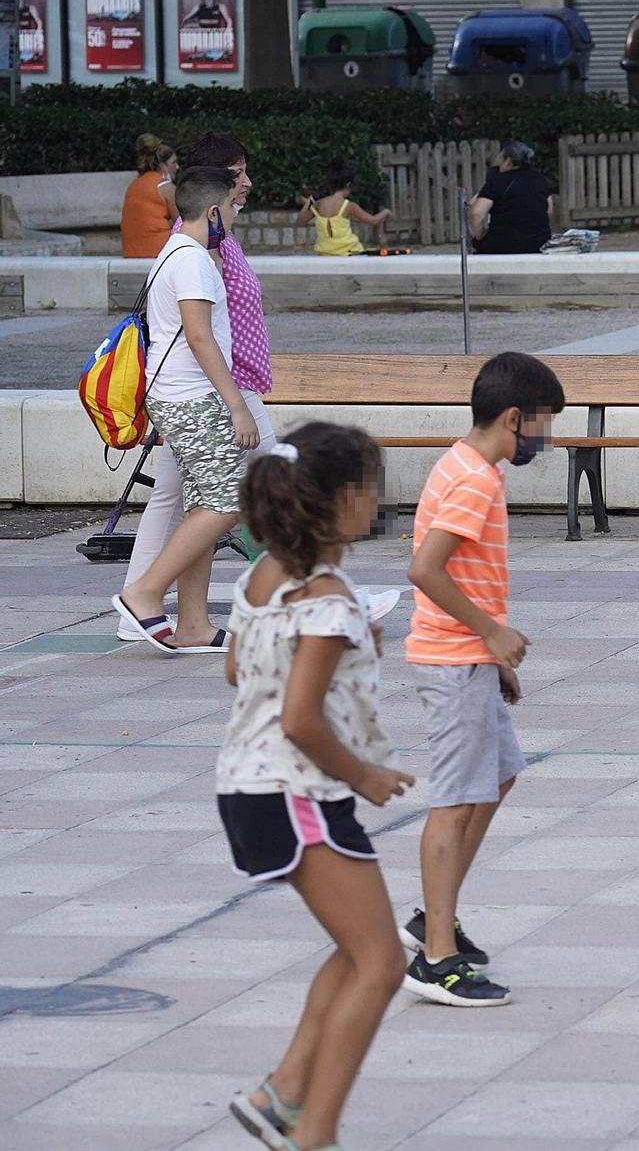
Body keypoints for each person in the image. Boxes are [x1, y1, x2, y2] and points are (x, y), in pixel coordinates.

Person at [218, 423, 412, 1151]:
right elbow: (300, 721)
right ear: (343, 501)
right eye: (372, 487)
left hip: (253, 786)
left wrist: (343, 643)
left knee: (357, 949)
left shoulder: (264, 576)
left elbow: (238, 669)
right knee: (384, 964)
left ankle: (285, 1092)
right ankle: (314, 1134)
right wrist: (365, 774)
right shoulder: (327, 600)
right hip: (296, 790)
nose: (378, 501)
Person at [401, 351, 568, 1006]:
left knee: (496, 776)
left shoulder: (465, 464)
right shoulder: (475, 481)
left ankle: (433, 918)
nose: (545, 439)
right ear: (512, 418)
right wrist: (492, 635)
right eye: (542, 425)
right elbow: (426, 569)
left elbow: (463, 572)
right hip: (451, 661)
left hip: (470, 658)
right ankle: (435, 957)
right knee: (455, 800)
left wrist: (493, 654)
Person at [118, 133, 279, 643]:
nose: (235, 215)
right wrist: (237, 405)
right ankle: (144, 593)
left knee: (199, 504)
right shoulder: (195, 258)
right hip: (195, 399)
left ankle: (191, 623)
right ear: (212, 210)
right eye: (230, 204)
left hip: (183, 396)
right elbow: (200, 335)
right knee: (230, 501)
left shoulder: (178, 251)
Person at [469, 141, 553, 255]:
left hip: (503, 243)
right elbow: (548, 209)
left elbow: (477, 213)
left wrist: (479, 235)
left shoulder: (496, 180)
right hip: (538, 243)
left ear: (508, 161)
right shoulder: (539, 179)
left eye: (500, 158)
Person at [297, 162, 393, 257]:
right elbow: (373, 220)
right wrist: (386, 212)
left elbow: (301, 220)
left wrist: (307, 203)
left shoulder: (318, 204)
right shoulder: (348, 205)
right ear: (348, 185)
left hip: (326, 253)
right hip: (349, 252)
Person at [120, 133, 177, 258]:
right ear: (163, 166)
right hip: (160, 251)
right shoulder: (167, 188)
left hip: (130, 252)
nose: (177, 167)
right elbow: (182, 224)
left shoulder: (133, 185)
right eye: (174, 162)